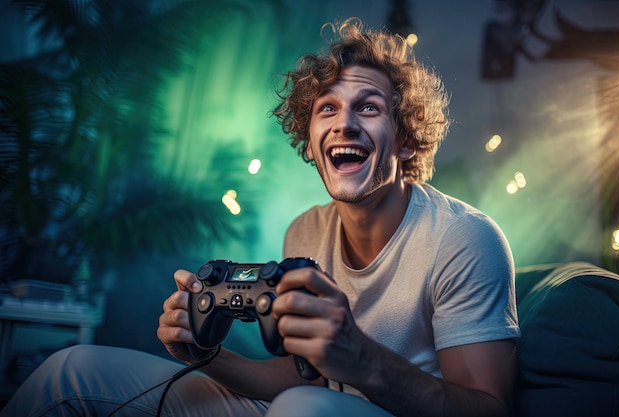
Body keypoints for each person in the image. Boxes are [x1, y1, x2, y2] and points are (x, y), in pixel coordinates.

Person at [0, 18, 520, 417]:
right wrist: (203, 353)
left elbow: (488, 410)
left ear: (405, 141)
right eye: (327, 109)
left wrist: (359, 357)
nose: (344, 124)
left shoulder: (464, 238)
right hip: (304, 410)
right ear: (311, 142)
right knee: (69, 370)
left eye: (368, 108)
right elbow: (307, 383)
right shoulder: (307, 230)